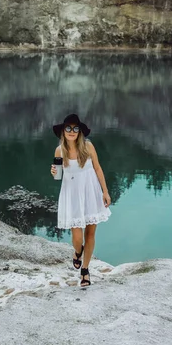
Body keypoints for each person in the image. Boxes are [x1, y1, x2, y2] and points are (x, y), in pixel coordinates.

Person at [50, 114, 111, 287]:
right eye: (68, 128)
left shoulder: (88, 146)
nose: (71, 131)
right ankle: (78, 252)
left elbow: (98, 169)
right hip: (72, 193)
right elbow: (58, 177)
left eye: (75, 128)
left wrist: (105, 192)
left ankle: (85, 270)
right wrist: (54, 173)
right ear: (63, 131)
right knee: (77, 237)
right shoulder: (59, 150)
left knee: (90, 233)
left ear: (79, 132)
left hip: (91, 191)